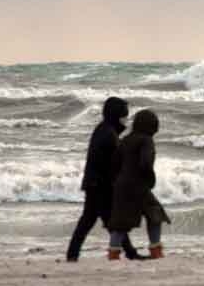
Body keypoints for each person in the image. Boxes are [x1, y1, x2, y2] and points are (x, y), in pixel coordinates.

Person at [66, 96, 143, 261]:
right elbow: (114, 164)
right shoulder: (109, 134)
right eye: (124, 115)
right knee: (111, 221)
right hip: (100, 185)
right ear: (117, 116)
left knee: (94, 221)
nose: (126, 119)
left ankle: (72, 255)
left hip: (95, 183)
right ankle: (130, 253)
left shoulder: (104, 129)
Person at [108, 109, 171, 260]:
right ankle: (156, 249)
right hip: (138, 186)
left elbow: (114, 165)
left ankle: (113, 253)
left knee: (121, 222)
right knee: (155, 214)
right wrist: (151, 179)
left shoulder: (125, 140)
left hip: (121, 186)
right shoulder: (146, 140)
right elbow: (145, 163)